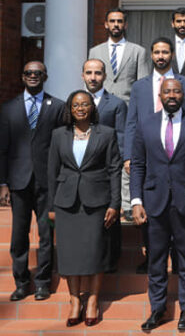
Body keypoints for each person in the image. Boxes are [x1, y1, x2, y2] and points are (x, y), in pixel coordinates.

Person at [130, 79, 185, 332]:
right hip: (153, 203)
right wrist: (136, 201)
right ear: (160, 94)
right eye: (167, 91)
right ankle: (158, 309)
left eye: (176, 91)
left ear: (183, 94)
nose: (171, 95)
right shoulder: (146, 123)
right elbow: (137, 164)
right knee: (155, 260)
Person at [47, 90, 122, 327]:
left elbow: (114, 170)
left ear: (92, 107)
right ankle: (74, 302)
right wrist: (51, 205)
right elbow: (52, 172)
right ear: (69, 109)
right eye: (76, 105)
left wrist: (115, 203)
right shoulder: (59, 134)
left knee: (94, 252)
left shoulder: (107, 133)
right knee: (70, 255)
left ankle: (92, 300)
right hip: (66, 202)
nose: (80, 108)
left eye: (85, 104)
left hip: (96, 202)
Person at [124, 38, 185, 274]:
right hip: (148, 156)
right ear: (151, 56)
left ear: (172, 55)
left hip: (178, 156)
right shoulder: (139, 86)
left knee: (178, 212)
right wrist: (129, 156)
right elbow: (132, 122)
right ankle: (152, 256)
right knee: (150, 205)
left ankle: (178, 260)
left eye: (165, 51)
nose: (161, 56)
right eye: (157, 52)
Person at [0, 62, 64, 302]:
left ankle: (43, 284)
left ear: (45, 76)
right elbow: (3, 149)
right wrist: (3, 183)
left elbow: (61, 147)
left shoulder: (57, 107)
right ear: (22, 77)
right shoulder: (8, 109)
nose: (33, 76)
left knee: (47, 235)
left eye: (38, 73)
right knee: (19, 235)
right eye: (29, 73)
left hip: (47, 182)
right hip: (18, 182)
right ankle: (21, 282)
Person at [81, 59, 127, 272]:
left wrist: (118, 162)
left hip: (107, 167)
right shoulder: (74, 102)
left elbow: (121, 135)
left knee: (110, 213)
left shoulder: (116, 104)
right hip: (81, 169)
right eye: (89, 73)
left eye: (98, 73)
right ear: (83, 75)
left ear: (105, 76)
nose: (93, 77)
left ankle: (111, 261)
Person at [88, 8, 150, 102]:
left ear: (125, 25)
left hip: (127, 107)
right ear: (106, 24)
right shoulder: (95, 51)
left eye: (119, 21)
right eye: (112, 21)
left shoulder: (138, 51)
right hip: (101, 107)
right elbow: (88, 82)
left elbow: (143, 86)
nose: (116, 24)